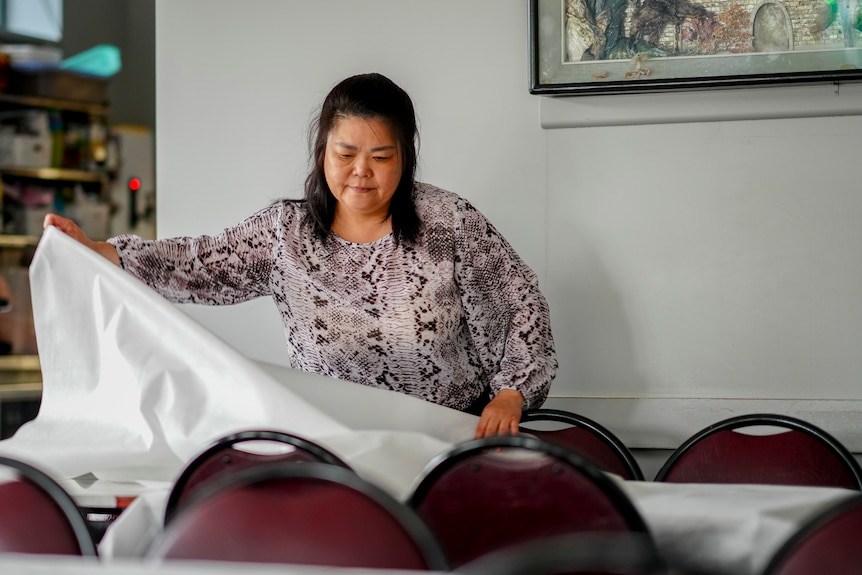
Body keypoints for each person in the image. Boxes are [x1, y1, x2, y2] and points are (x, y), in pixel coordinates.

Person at [44, 72, 558, 438]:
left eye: (381, 156)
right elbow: (200, 263)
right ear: (322, 153)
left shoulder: (448, 221)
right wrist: (101, 253)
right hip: (333, 442)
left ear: (406, 157)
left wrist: (511, 393)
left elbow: (521, 305)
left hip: (449, 438)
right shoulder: (284, 232)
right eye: (345, 154)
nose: (361, 171)